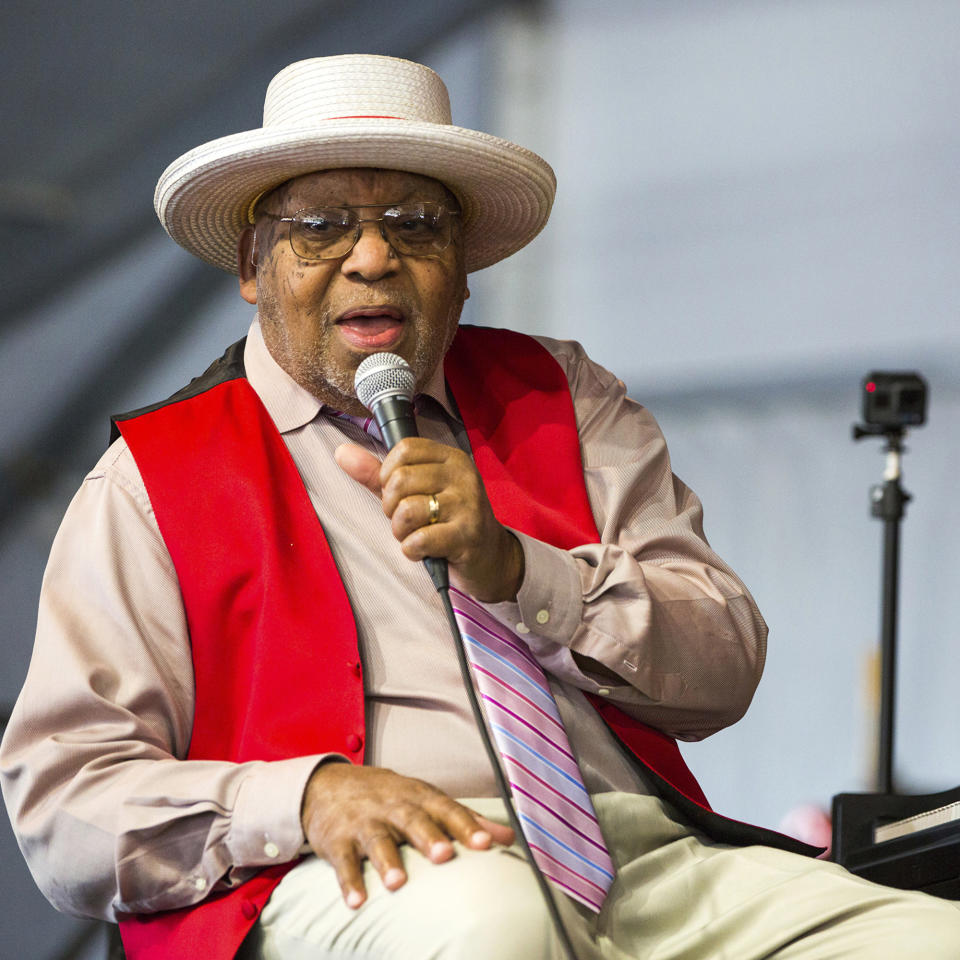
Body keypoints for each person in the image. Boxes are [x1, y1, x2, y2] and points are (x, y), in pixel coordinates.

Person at [2, 54, 958, 960]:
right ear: (254, 268)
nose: (373, 257)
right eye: (321, 226)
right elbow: (65, 801)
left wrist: (520, 571)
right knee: (495, 925)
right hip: (345, 869)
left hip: (639, 856)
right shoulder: (155, 478)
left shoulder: (565, 397)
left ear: (463, 266)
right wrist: (301, 798)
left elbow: (724, 669)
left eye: (416, 224)